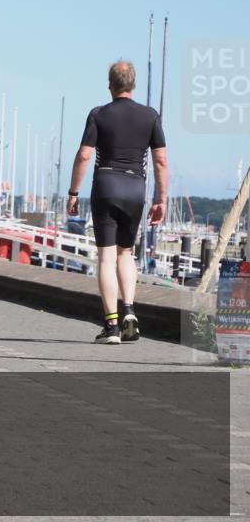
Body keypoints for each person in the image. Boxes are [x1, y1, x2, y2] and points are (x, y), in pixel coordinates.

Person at [67, 60, 167, 345]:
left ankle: (111, 327)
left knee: (107, 257)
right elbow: (160, 161)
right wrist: (160, 199)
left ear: (110, 85)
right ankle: (129, 312)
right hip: (135, 188)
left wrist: (74, 193)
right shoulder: (150, 116)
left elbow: (85, 156)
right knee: (127, 254)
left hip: (106, 186)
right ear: (132, 85)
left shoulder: (98, 115)